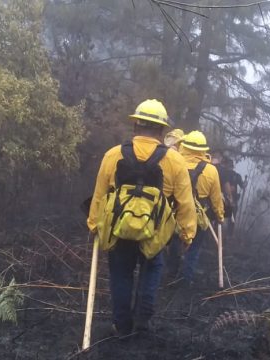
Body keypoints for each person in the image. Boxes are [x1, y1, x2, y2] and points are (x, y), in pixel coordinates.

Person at [87, 99, 197, 335]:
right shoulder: (175, 160)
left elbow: (99, 195)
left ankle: (121, 324)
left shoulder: (113, 155)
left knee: (121, 272)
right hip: (155, 232)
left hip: (119, 229)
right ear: (162, 129)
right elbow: (186, 203)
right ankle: (143, 320)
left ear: (136, 125)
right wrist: (187, 234)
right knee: (152, 269)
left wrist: (94, 224)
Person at [177, 131, 224, 283]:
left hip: (175, 212)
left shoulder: (175, 163)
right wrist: (220, 216)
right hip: (200, 216)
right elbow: (216, 198)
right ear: (204, 149)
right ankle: (187, 278)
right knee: (195, 247)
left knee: (174, 242)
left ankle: (171, 273)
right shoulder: (211, 170)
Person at [222, 158, 245, 236]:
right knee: (229, 218)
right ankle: (228, 234)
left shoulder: (236, 176)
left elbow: (243, 186)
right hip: (224, 199)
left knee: (230, 218)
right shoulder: (223, 174)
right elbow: (243, 186)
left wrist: (245, 183)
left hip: (231, 200)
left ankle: (227, 235)